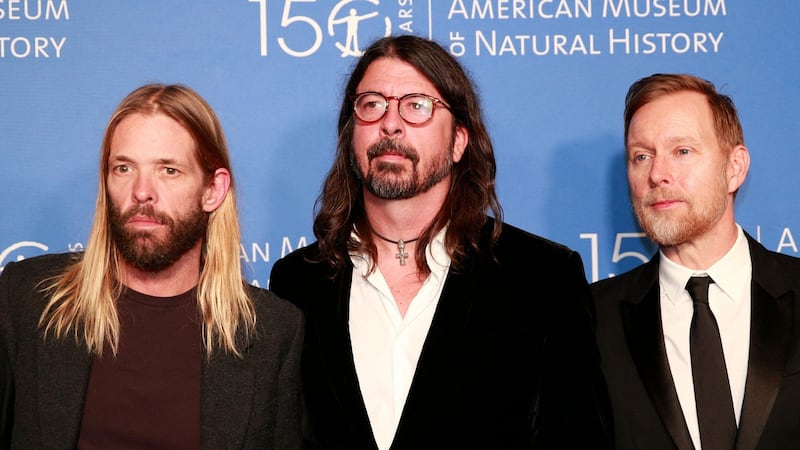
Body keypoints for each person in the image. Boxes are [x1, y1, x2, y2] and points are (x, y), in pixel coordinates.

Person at [269, 35, 612, 450]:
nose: (390, 123)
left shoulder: (541, 277)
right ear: (350, 134)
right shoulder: (297, 282)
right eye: (372, 103)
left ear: (458, 142)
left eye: (417, 106)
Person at [0, 83, 303, 449]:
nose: (142, 191)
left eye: (169, 170)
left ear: (213, 190)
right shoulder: (27, 299)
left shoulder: (272, 332)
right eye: (123, 168)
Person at [592, 73, 800, 449]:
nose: (657, 174)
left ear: (734, 168)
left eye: (682, 151)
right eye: (642, 156)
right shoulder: (590, 319)